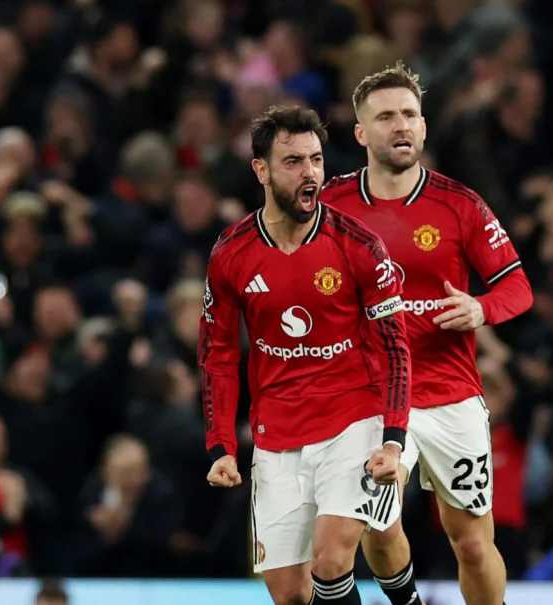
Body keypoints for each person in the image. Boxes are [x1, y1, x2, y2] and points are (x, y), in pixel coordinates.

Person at [323, 62, 533, 605]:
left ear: (424, 126)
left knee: (470, 542)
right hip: (369, 397)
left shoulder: (459, 204)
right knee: (377, 526)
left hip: (451, 396)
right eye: (386, 116)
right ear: (361, 133)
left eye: (410, 115)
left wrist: (481, 309)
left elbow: (518, 288)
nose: (401, 126)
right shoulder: (329, 207)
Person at [198, 105, 412, 605]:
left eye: (316, 160)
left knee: (332, 562)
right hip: (276, 435)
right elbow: (218, 354)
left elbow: (395, 347)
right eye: (293, 162)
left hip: (351, 421)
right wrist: (221, 445)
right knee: (290, 595)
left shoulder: (360, 245)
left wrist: (395, 438)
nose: (310, 173)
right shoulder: (231, 253)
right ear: (262, 170)